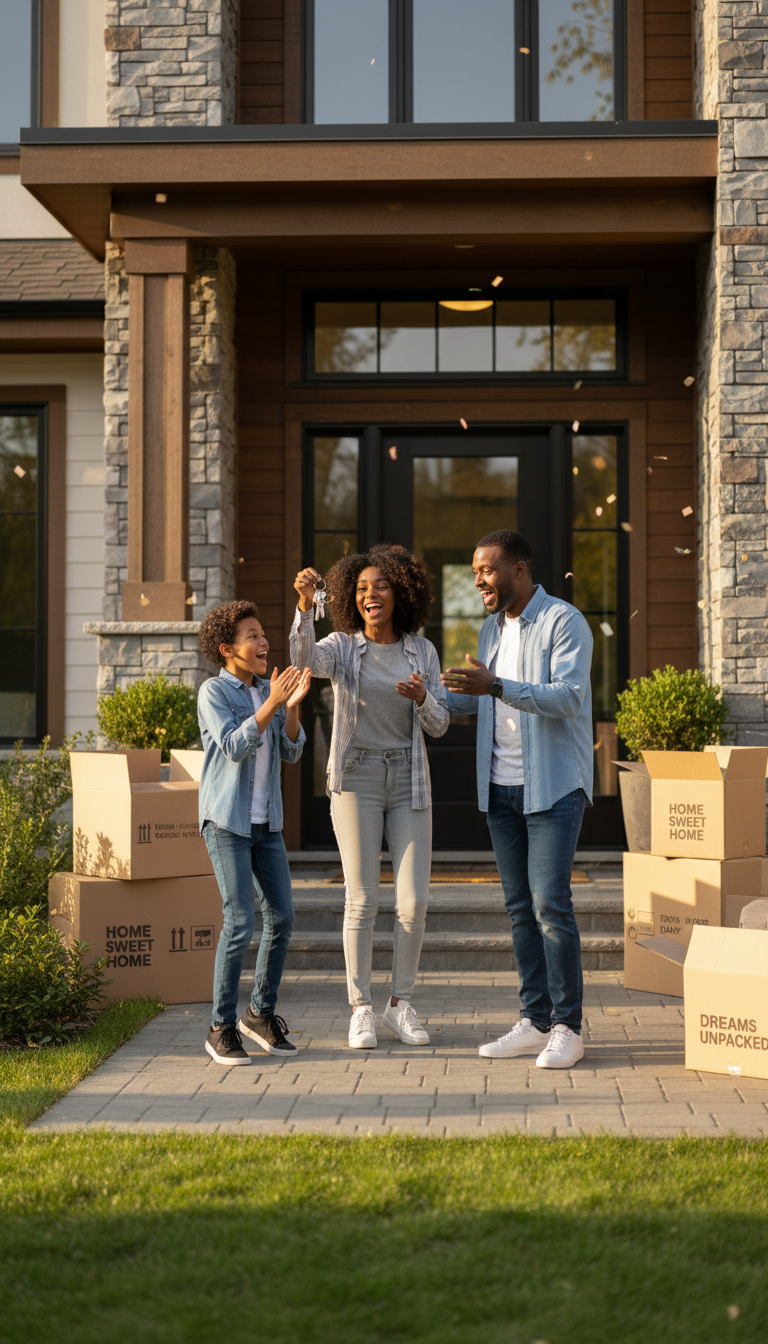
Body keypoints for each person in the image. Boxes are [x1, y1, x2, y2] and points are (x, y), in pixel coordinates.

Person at [441, 530, 593, 1069]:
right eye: (475, 570)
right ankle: (534, 1019)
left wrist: (497, 686)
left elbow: (569, 698)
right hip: (499, 788)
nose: (478, 579)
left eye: (487, 569)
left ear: (519, 570)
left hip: (551, 786)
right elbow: (481, 697)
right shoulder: (488, 630)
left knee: (551, 905)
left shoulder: (563, 622)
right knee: (520, 910)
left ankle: (568, 1028)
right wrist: (432, 692)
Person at [291, 544, 449, 1050]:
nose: (370, 594)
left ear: (400, 591)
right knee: (361, 899)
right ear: (348, 598)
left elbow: (441, 724)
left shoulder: (421, 652)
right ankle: (361, 1008)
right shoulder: (341, 645)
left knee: (413, 901)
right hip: (356, 778)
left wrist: (424, 698)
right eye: (360, 588)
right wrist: (302, 608)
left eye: (379, 585)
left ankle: (400, 1005)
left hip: (408, 780)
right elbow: (303, 664)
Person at [197, 599, 311, 1066]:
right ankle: (221, 1026)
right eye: (252, 635)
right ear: (227, 649)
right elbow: (232, 745)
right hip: (227, 821)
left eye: (264, 634)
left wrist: (293, 710)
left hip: (266, 825)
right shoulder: (214, 692)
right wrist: (271, 704)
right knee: (241, 919)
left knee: (281, 918)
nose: (264, 642)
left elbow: (290, 751)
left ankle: (259, 1014)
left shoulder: (269, 690)